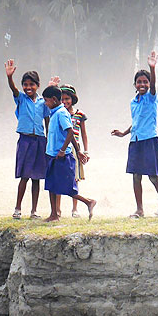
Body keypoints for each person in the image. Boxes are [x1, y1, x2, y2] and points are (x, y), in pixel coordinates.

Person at [111, 51, 158, 218]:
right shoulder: (133, 102)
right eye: (139, 82)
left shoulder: (151, 98)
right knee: (136, 176)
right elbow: (136, 122)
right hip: (135, 141)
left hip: (149, 140)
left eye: (145, 82)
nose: (142, 84)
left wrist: (152, 68)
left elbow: (152, 86)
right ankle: (139, 209)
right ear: (135, 84)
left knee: (152, 175)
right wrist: (124, 133)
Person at [43, 84, 95, 222]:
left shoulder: (61, 113)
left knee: (66, 186)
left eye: (46, 100)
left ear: (54, 99)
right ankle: (54, 214)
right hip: (52, 155)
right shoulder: (54, 112)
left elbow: (71, 132)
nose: (45, 104)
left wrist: (67, 150)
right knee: (51, 185)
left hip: (62, 156)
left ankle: (88, 202)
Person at [5, 60, 50, 219]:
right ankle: (17, 209)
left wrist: (48, 141)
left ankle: (34, 211)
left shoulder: (43, 102)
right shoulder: (21, 99)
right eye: (25, 84)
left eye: (31, 84)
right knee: (24, 176)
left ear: (38, 85)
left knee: (37, 178)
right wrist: (10, 77)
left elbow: (47, 121)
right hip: (25, 141)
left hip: (39, 141)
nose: (28, 87)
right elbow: (14, 89)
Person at [59, 84, 89, 217]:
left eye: (67, 99)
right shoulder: (59, 113)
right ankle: (57, 209)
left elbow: (83, 134)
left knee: (74, 179)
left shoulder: (79, 114)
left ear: (73, 99)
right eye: (62, 99)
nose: (64, 102)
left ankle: (75, 208)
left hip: (75, 151)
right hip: (61, 149)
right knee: (58, 178)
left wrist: (86, 151)